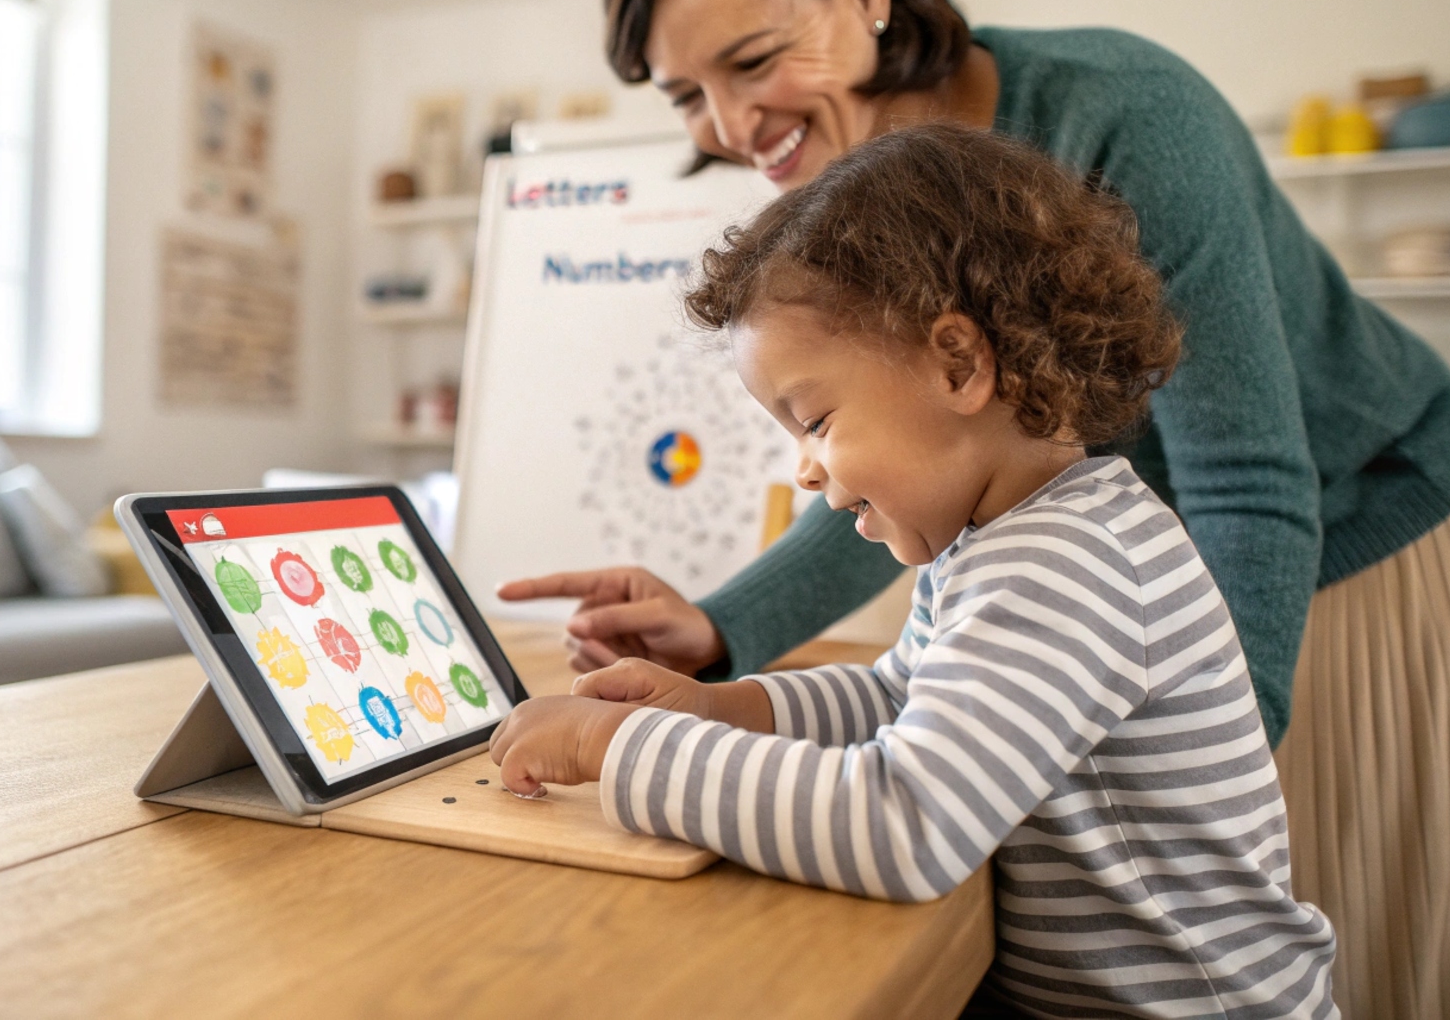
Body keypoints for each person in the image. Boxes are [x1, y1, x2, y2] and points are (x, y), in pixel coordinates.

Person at [497, 0, 1450, 1019]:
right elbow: (917, 481)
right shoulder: (999, 506)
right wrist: (726, 657)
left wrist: (1196, 763)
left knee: (1353, 920)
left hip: (1370, 501)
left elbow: (1242, 478)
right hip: (1151, 581)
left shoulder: (1121, 126)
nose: (729, 123)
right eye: (688, 96)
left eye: (753, 58)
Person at [491, 124, 1338, 1017]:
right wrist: (723, 706)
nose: (804, 470)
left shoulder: (1068, 562)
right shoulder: (1001, 538)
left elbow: (906, 823)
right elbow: (904, 696)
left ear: (959, 362)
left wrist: (610, 745)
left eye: (814, 421)